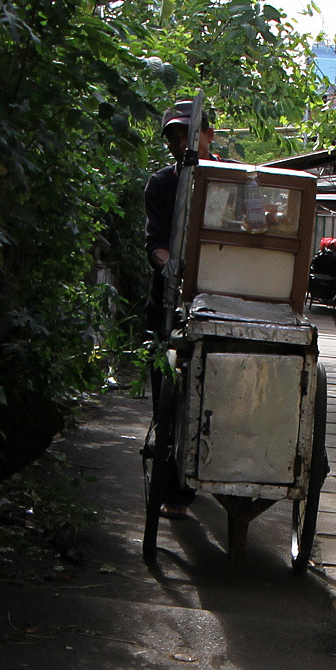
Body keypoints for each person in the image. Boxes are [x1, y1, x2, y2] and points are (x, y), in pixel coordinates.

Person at [143, 102, 212, 523]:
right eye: (174, 137)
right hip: (169, 303)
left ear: (209, 135)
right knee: (168, 401)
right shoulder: (161, 185)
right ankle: (172, 488)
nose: (181, 144)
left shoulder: (233, 179)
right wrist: (171, 268)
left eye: (189, 134)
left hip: (217, 299)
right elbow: (155, 242)